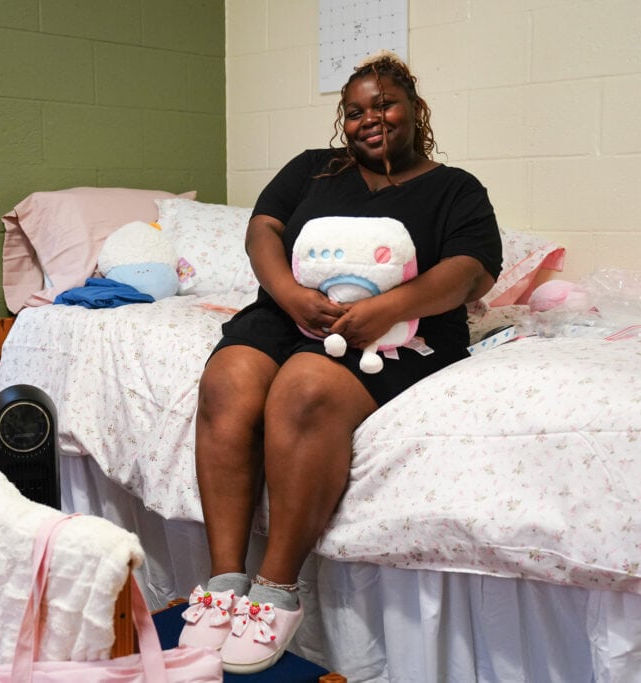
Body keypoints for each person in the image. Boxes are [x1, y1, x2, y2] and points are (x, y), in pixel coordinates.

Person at [178, 50, 503, 674]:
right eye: (354, 112)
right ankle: (224, 582)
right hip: (288, 310)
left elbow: (471, 271)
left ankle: (275, 590)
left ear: (414, 107)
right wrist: (290, 295)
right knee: (226, 382)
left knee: (303, 390)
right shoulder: (312, 170)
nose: (369, 119)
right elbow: (262, 233)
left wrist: (391, 307)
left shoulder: (454, 188)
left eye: (383, 104)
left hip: (401, 328)